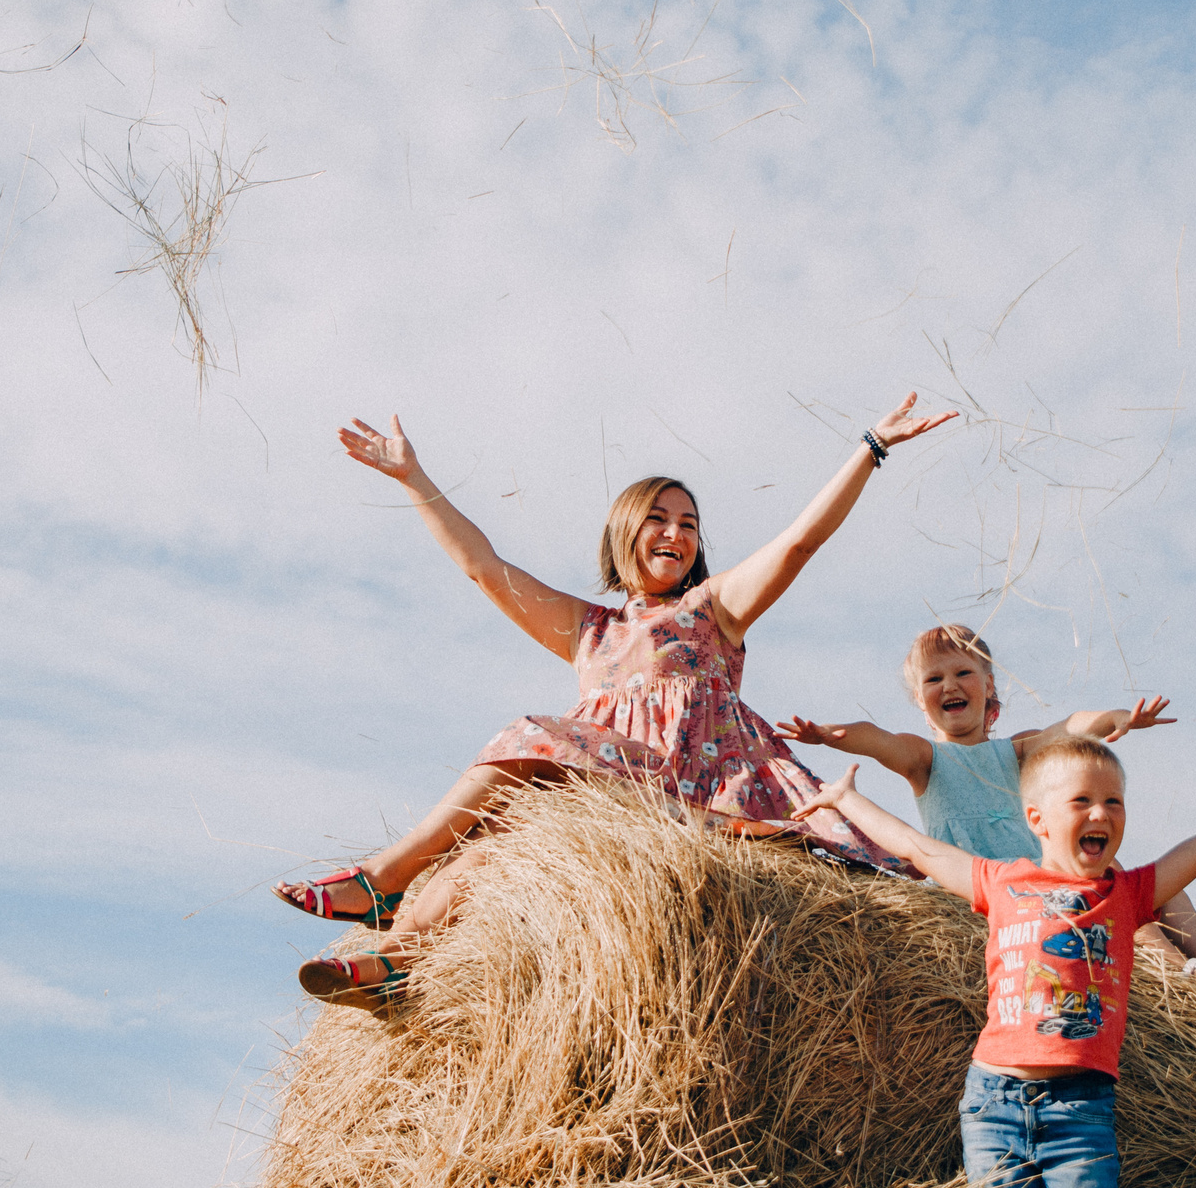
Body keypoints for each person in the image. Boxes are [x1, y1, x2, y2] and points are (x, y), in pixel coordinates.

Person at [277, 393, 958, 1007]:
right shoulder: (590, 630)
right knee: (487, 855)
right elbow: (484, 567)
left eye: (689, 523)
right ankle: (393, 958)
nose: (676, 533)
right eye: (658, 519)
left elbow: (799, 541)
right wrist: (414, 479)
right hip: (606, 803)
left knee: (527, 732)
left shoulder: (713, 610)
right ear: (624, 532)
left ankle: (385, 876)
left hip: (690, 796)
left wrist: (870, 448)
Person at [787, 731, 1196, 1188]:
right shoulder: (999, 881)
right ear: (1037, 819)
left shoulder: (1125, 894)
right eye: (1082, 801)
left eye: (1114, 801)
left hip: (1079, 1110)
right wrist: (846, 799)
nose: (1101, 813)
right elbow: (915, 847)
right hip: (992, 1105)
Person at [776, 625, 1196, 991]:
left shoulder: (1017, 752)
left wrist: (1117, 718)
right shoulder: (926, 760)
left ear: (988, 686)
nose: (949, 685)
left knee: (1146, 882)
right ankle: (1186, 982)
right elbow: (879, 740)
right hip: (998, 893)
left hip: (1051, 874)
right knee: (1111, 900)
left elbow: (1071, 727)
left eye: (962, 673)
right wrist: (829, 734)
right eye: (933, 679)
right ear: (920, 699)